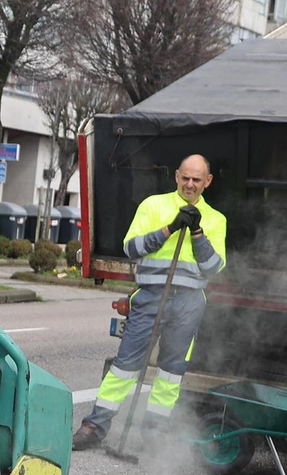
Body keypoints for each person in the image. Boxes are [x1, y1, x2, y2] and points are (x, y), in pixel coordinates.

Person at [73, 155, 227, 449]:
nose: (190, 184)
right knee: (125, 365)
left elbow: (213, 267)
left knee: (171, 371)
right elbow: (132, 248)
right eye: (185, 178)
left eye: (197, 179)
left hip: (189, 303)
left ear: (208, 181)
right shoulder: (153, 205)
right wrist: (170, 228)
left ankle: (154, 431)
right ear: (177, 176)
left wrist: (196, 232)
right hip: (151, 296)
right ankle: (94, 426)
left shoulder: (216, 219)